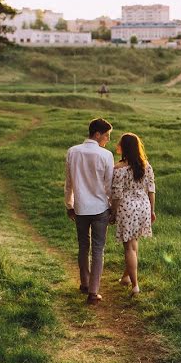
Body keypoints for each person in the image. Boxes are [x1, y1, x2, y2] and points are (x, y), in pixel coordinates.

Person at [65, 118, 114, 304]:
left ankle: (84, 283)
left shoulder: (72, 152)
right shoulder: (106, 155)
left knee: (83, 246)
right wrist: (112, 207)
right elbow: (109, 186)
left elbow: (69, 183)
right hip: (100, 208)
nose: (108, 140)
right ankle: (93, 292)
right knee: (98, 249)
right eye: (107, 136)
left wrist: (69, 205)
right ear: (97, 134)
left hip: (80, 208)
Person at [110, 133, 156, 296]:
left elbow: (116, 194)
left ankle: (135, 285)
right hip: (143, 206)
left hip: (127, 207)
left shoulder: (118, 168)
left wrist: (113, 212)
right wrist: (152, 210)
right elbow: (151, 190)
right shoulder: (146, 166)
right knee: (134, 242)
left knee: (128, 247)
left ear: (124, 147)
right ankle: (126, 278)